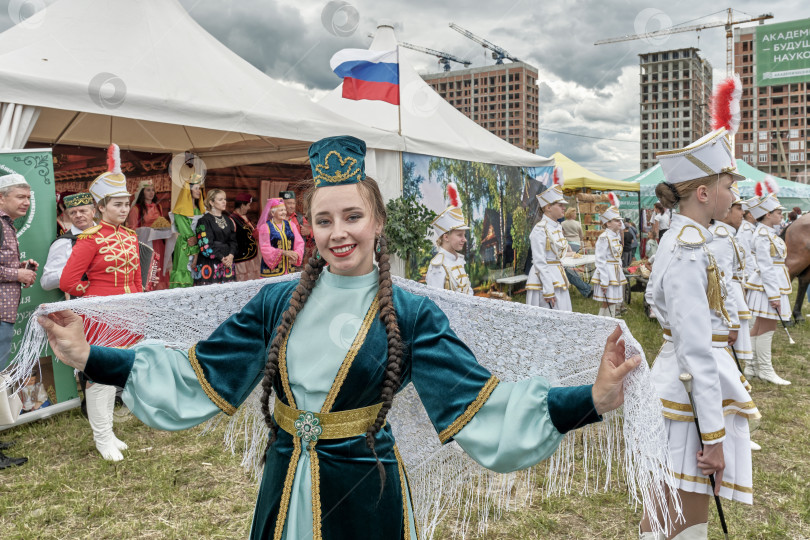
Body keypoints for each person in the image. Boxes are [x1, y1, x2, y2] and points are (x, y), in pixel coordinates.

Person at [38, 135, 640, 538]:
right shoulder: (275, 301)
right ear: (309, 228)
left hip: (367, 490)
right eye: (324, 220)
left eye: (352, 216)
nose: (338, 232)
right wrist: (92, 355)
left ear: (377, 221)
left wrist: (591, 401)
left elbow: (480, 404)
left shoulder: (409, 311)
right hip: (284, 479)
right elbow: (200, 372)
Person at [641, 125, 759, 539]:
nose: (733, 195)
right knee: (681, 519)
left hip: (682, 391)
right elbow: (695, 353)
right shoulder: (689, 249)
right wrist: (713, 437)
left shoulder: (688, 240)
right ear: (705, 193)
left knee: (670, 514)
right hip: (688, 398)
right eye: (728, 184)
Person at [60, 143, 142, 461]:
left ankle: (108, 431)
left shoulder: (131, 236)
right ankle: (102, 438)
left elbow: (136, 279)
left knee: (115, 374)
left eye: (126, 204)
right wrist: (93, 298)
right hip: (100, 315)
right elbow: (69, 281)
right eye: (117, 204)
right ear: (103, 205)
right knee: (98, 376)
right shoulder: (90, 238)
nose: (124, 209)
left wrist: (140, 308)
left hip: (128, 313)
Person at [0, 170, 37, 469]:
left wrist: (20, 267)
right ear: (2, 198)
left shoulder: (6, 224)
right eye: (20, 197)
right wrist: (18, 274)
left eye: (28, 197)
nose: (26, 202)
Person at [744, 189, 792, 385]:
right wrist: (774, 295)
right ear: (768, 214)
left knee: (759, 327)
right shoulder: (763, 234)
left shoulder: (767, 233)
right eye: (779, 213)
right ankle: (765, 369)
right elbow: (765, 266)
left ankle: (752, 366)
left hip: (768, 285)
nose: (782, 216)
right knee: (767, 326)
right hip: (768, 286)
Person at [526, 183, 572, 310]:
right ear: (548, 207)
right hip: (543, 281)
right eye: (560, 205)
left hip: (557, 275)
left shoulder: (557, 227)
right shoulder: (540, 229)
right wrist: (548, 289)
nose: (564, 208)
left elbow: (558, 255)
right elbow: (539, 261)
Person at [41, 193, 97, 295]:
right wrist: (72, 270)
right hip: (81, 302)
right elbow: (46, 282)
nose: (78, 215)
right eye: (73, 213)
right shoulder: (64, 242)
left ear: (93, 212)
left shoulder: (109, 236)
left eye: (83, 211)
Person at [426, 183, 472, 295]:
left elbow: (468, 291)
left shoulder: (459, 259)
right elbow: (436, 304)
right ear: (446, 237)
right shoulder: (437, 266)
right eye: (459, 235)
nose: (464, 239)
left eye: (464, 235)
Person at [193, 189, 237, 286]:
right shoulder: (204, 221)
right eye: (220, 199)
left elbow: (233, 241)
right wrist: (221, 258)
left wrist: (231, 256)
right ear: (211, 202)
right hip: (210, 264)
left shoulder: (228, 220)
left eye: (225, 199)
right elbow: (205, 246)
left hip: (227, 263)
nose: (224, 202)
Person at [169, 176, 205, 288]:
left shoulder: (200, 210)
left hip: (199, 247)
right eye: (196, 188)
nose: (199, 191)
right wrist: (195, 254)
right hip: (185, 248)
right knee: (184, 276)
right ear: (188, 191)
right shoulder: (180, 211)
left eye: (200, 188)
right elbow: (189, 237)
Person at [592, 206, 627, 318]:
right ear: (608, 224)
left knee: (613, 300)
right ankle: (602, 320)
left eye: (620, 220)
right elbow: (600, 260)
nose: (620, 222)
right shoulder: (604, 237)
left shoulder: (616, 236)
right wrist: (604, 279)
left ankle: (608, 321)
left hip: (615, 271)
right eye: (617, 220)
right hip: (607, 271)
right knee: (609, 300)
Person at [258, 197, 303, 278]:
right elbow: (265, 248)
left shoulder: (291, 225)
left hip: (290, 270)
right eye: (281, 210)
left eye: (284, 210)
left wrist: (296, 254)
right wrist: (283, 252)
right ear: (272, 213)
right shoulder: (265, 227)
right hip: (272, 272)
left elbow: (299, 242)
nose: (284, 212)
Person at [231, 193, 261, 282]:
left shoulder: (246, 217)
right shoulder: (232, 219)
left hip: (252, 257)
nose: (249, 208)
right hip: (241, 260)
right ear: (242, 205)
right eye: (248, 205)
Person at [281, 190, 314, 265]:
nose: (292, 206)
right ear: (282, 204)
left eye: (293, 203)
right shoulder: (275, 218)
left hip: (297, 260)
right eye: (289, 203)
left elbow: (313, 231)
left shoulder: (300, 218)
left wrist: (309, 231)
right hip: (279, 259)